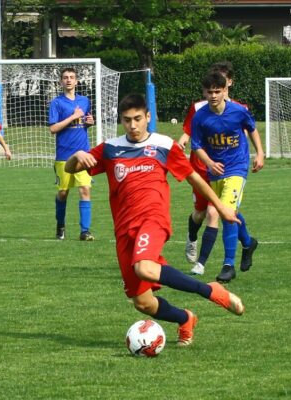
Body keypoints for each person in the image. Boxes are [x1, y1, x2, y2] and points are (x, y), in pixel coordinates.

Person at [65, 94, 244, 347]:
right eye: (127, 120)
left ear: (148, 117)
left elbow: (194, 178)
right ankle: (185, 318)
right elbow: (70, 169)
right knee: (143, 303)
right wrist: (78, 156)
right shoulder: (111, 148)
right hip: (124, 231)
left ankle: (211, 290)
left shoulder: (164, 145)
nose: (133, 125)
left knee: (145, 267)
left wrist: (222, 207)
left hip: (153, 219)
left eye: (138, 119)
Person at [191, 72, 264, 283]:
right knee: (227, 211)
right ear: (204, 92)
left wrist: (259, 153)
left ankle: (228, 265)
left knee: (226, 212)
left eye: (217, 91)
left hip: (237, 168)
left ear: (225, 91)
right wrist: (210, 163)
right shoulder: (200, 116)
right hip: (216, 171)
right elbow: (196, 146)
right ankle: (248, 242)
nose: (213, 96)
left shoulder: (239, 111)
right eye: (209, 92)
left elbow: (252, 129)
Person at [178, 61, 247, 276]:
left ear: (228, 84)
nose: (216, 90)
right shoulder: (199, 108)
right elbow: (190, 131)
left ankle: (208, 264)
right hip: (200, 168)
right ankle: (192, 237)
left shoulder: (238, 109)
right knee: (200, 213)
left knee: (216, 212)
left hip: (229, 168)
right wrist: (181, 141)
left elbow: (243, 133)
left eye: (223, 82)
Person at [48, 67, 95, 241]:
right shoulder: (57, 103)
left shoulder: (84, 101)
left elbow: (85, 122)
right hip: (64, 156)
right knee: (63, 193)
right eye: (65, 78)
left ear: (76, 81)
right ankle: (60, 225)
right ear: (61, 82)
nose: (68, 80)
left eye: (72, 77)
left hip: (83, 153)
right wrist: (72, 117)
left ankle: (85, 231)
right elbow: (53, 129)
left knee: (85, 190)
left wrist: (90, 122)